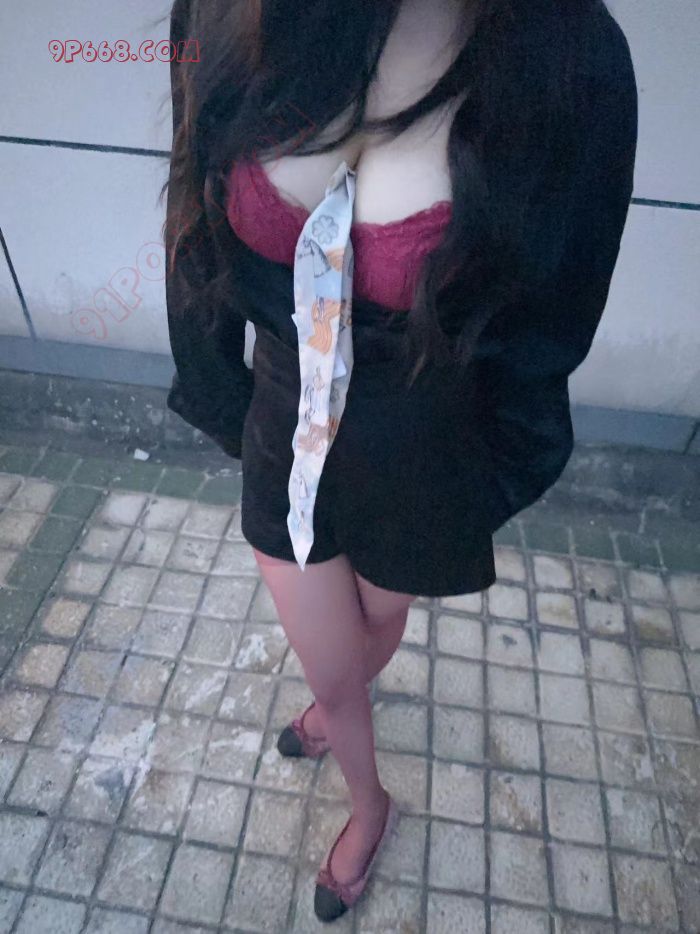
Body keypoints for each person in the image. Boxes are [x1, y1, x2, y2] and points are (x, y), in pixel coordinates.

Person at [162, 0, 638, 921]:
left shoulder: (571, 61)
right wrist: (219, 392)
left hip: (417, 438)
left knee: (373, 628)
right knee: (335, 664)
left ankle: (335, 711)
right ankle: (369, 799)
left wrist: (482, 479)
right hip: (284, 419)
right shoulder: (231, 9)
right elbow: (191, 211)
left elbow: (557, 314)